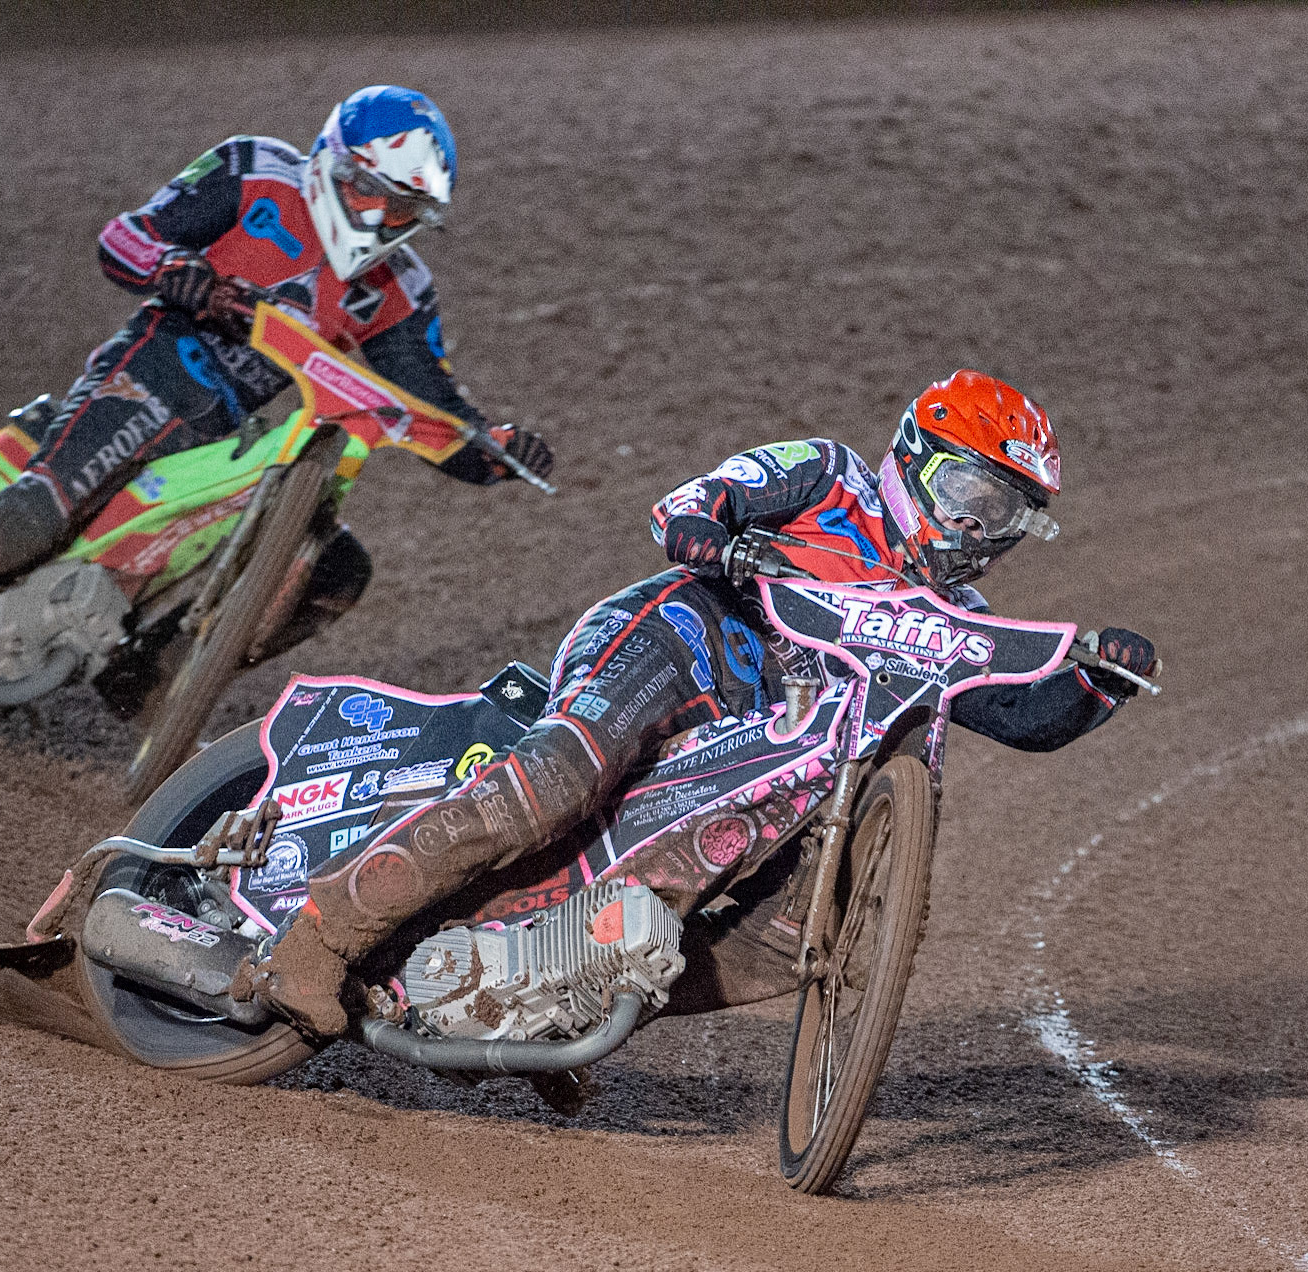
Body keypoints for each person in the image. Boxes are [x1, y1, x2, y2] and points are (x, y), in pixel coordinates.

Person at [237, 370, 1159, 1036]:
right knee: (561, 781)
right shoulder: (830, 476)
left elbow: (1024, 717)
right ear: (913, 460)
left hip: (750, 748)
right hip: (675, 639)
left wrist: (1095, 680)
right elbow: (700, 499)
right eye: (965, 492)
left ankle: (551, 995)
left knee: (790, 942)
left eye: (1003, 515)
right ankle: (318, 938)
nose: (973, 527)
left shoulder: (957, 618)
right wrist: (712, 540)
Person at [0, 85, 552, 633]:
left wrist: (495, 452)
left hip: (224, 440)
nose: (382, 218)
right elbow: (125, 236)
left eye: (405, 210)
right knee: (30, 520)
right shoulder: (257, 173)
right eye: (370, 193)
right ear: (333, 164)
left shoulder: (397, 289)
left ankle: (141, 682)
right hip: (149, 375)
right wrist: (175, 272)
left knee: (334, 568)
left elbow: (430, 404)